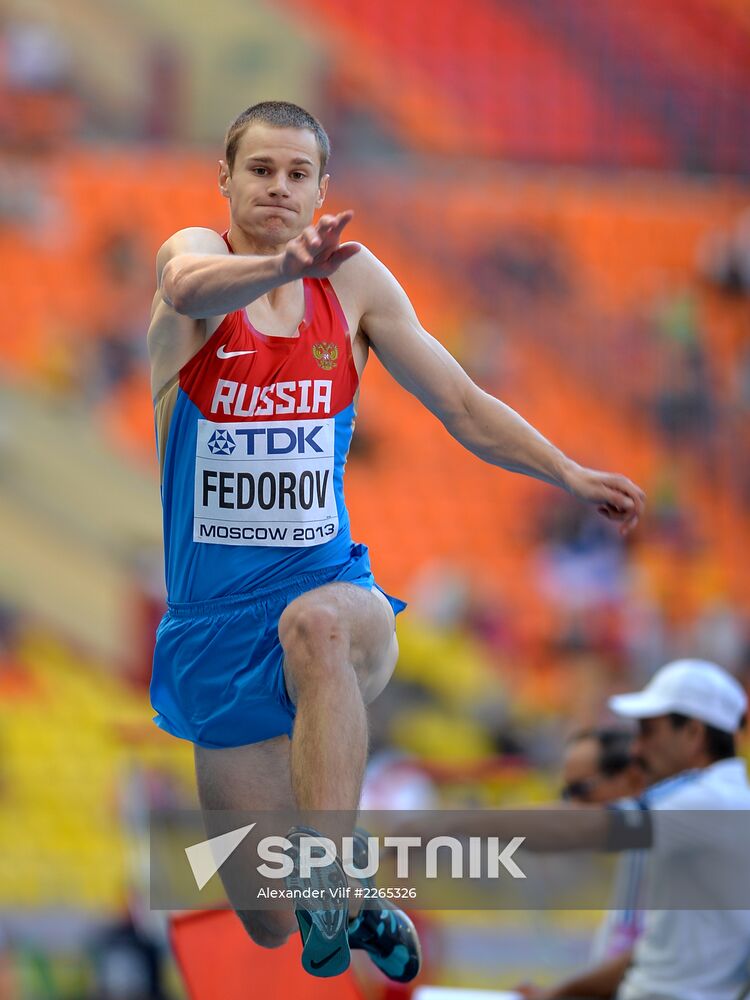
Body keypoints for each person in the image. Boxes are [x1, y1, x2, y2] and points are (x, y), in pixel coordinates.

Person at [146, 100, 646, 981]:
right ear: (223, 180)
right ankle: (357, 894)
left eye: (298, 174)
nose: (278, 188)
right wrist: (275, 267)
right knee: (266, 925)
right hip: (211, 631)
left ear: (322, 189)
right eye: (260, 170)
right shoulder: (194, 261)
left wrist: (566, 471)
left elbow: (460, 403)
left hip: (332, 593)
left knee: (319, 625)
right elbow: (187, 286)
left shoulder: (356, 283)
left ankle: (334, 868)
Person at [413, 659, 749, 999]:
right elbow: (655, 950)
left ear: (694, 733)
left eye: (649, 731)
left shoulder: (711, 801)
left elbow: (582, 827)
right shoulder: (710, 803)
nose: (637, 748)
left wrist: (458, 821)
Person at [518, 729, 647, 999]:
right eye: (567, 794)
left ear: (633, 780)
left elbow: (647, 959)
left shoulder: (669, 850)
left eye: (583, 790)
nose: (573, 807)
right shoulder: (634, 853)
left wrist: (556, 994)